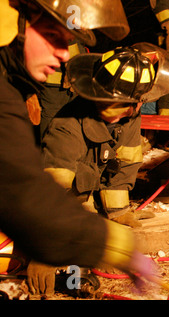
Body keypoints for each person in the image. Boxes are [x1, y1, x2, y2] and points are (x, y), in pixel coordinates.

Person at [0, 0, 158, 296]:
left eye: (68, 42)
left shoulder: (8, 89)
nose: (62, 55)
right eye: (52, 35)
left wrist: (119, 217)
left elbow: (124, 166)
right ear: (12, 24)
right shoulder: (64, 124)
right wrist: (47, 248)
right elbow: (28, 190)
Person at [42, 45, 158, 228]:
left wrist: (118, 211)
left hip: (94, 192)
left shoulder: (130, 116)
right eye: (122, 106)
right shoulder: (67, 125)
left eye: (135, 103)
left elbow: (125, 165)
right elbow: (55, 185)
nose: (132, 112)